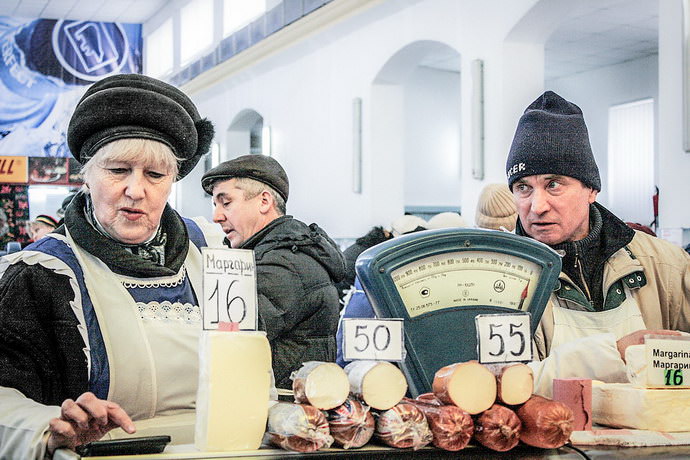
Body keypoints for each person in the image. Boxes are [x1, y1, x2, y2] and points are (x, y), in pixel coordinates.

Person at [0, 73, 216, 459]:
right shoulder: (39, 273)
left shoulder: (213, 256)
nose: (136, 190)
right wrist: (48, 427)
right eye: (118, 170)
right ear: (86, 176)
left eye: (155, 174)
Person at [506, 91, 690, 396]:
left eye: (553, 185)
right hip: (551, 443)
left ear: (591, 188)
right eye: (523, 188)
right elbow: (504, 387)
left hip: (661, 441)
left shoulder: (665, 267)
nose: (537, 206)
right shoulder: (496, 279)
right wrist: (614, 353)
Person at [201, 155, 346, 389]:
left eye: (226, 203)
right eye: (215, 205)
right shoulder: (276, 254)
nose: (217, 216)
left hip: (282, 412)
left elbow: (231, 339)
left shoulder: (284, 264)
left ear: (264, 201)